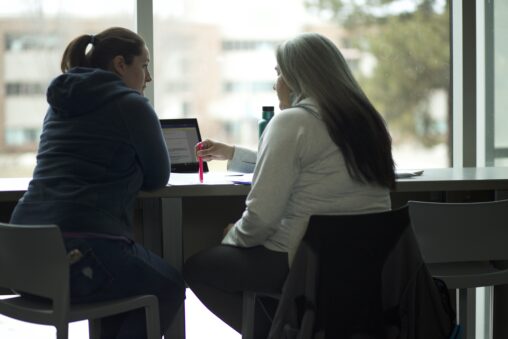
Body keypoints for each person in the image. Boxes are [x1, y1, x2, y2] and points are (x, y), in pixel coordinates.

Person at [183, 32, 396, 338]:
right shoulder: (366, 120)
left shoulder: (291, 122)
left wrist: (233, 238)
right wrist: (232, 154)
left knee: (198, 269)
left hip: (303, 260)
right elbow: (315, 166)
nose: (275, 84)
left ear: (299, 78)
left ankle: (279, 334)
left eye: (279, 73)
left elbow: (261, 218)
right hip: (366, 262)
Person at [10, 27, 185, 339]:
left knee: (126, 293)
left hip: (23, 257)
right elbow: (158, 177)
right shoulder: (132, 104)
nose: (149, 77)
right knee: (168, 286)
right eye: (144, 66)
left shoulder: (59, 106)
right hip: (80, 251)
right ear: (120, 64)